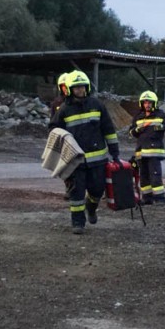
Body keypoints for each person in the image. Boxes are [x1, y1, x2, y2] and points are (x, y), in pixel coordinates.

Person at [48, 70, 122, 235]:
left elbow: (109, 130)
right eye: (76, 87)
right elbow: (53, 128)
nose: (80, 90)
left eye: (82, 87)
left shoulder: (97, 105)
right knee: (76, 193)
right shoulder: (64, 109)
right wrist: (63, 141)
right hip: (76, 161)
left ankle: (91, 207)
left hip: (98, 160)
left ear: (87, 87)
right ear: (70, 89)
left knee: (97, 190)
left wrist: (115, 153)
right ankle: (78, 223)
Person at [128, 90, 165, 205]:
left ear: (154, 103)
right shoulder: (138, 117)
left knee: (155, 175)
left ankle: (159, 198)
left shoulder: (160, 115)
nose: (147, 105)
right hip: (141, 152)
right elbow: (131, 132)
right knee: (144, 177)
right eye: (145, 102)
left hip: (154, 152)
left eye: (149, 102)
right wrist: (137, 130)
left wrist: (162, 127)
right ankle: (147, 198)